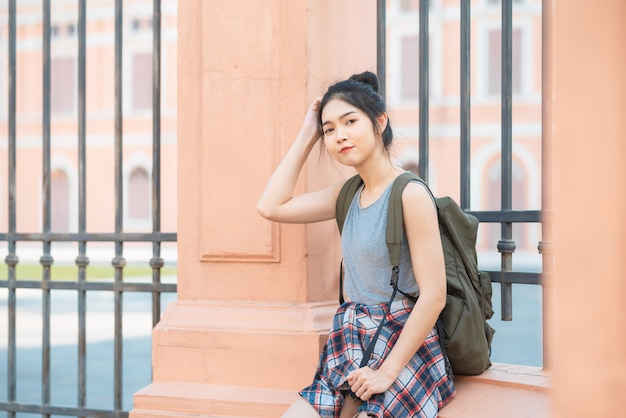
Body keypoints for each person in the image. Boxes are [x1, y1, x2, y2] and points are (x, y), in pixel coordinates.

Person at [257, 71, 455, 418]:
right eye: (329, 129)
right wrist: (308, 134)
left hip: (404, 342)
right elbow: (271, 206)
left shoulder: (409, 194)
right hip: (350, 336)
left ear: (380, 122)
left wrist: (386, 373)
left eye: (350, 122)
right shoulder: (347, 194)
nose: (339, 136)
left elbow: (434, 295)